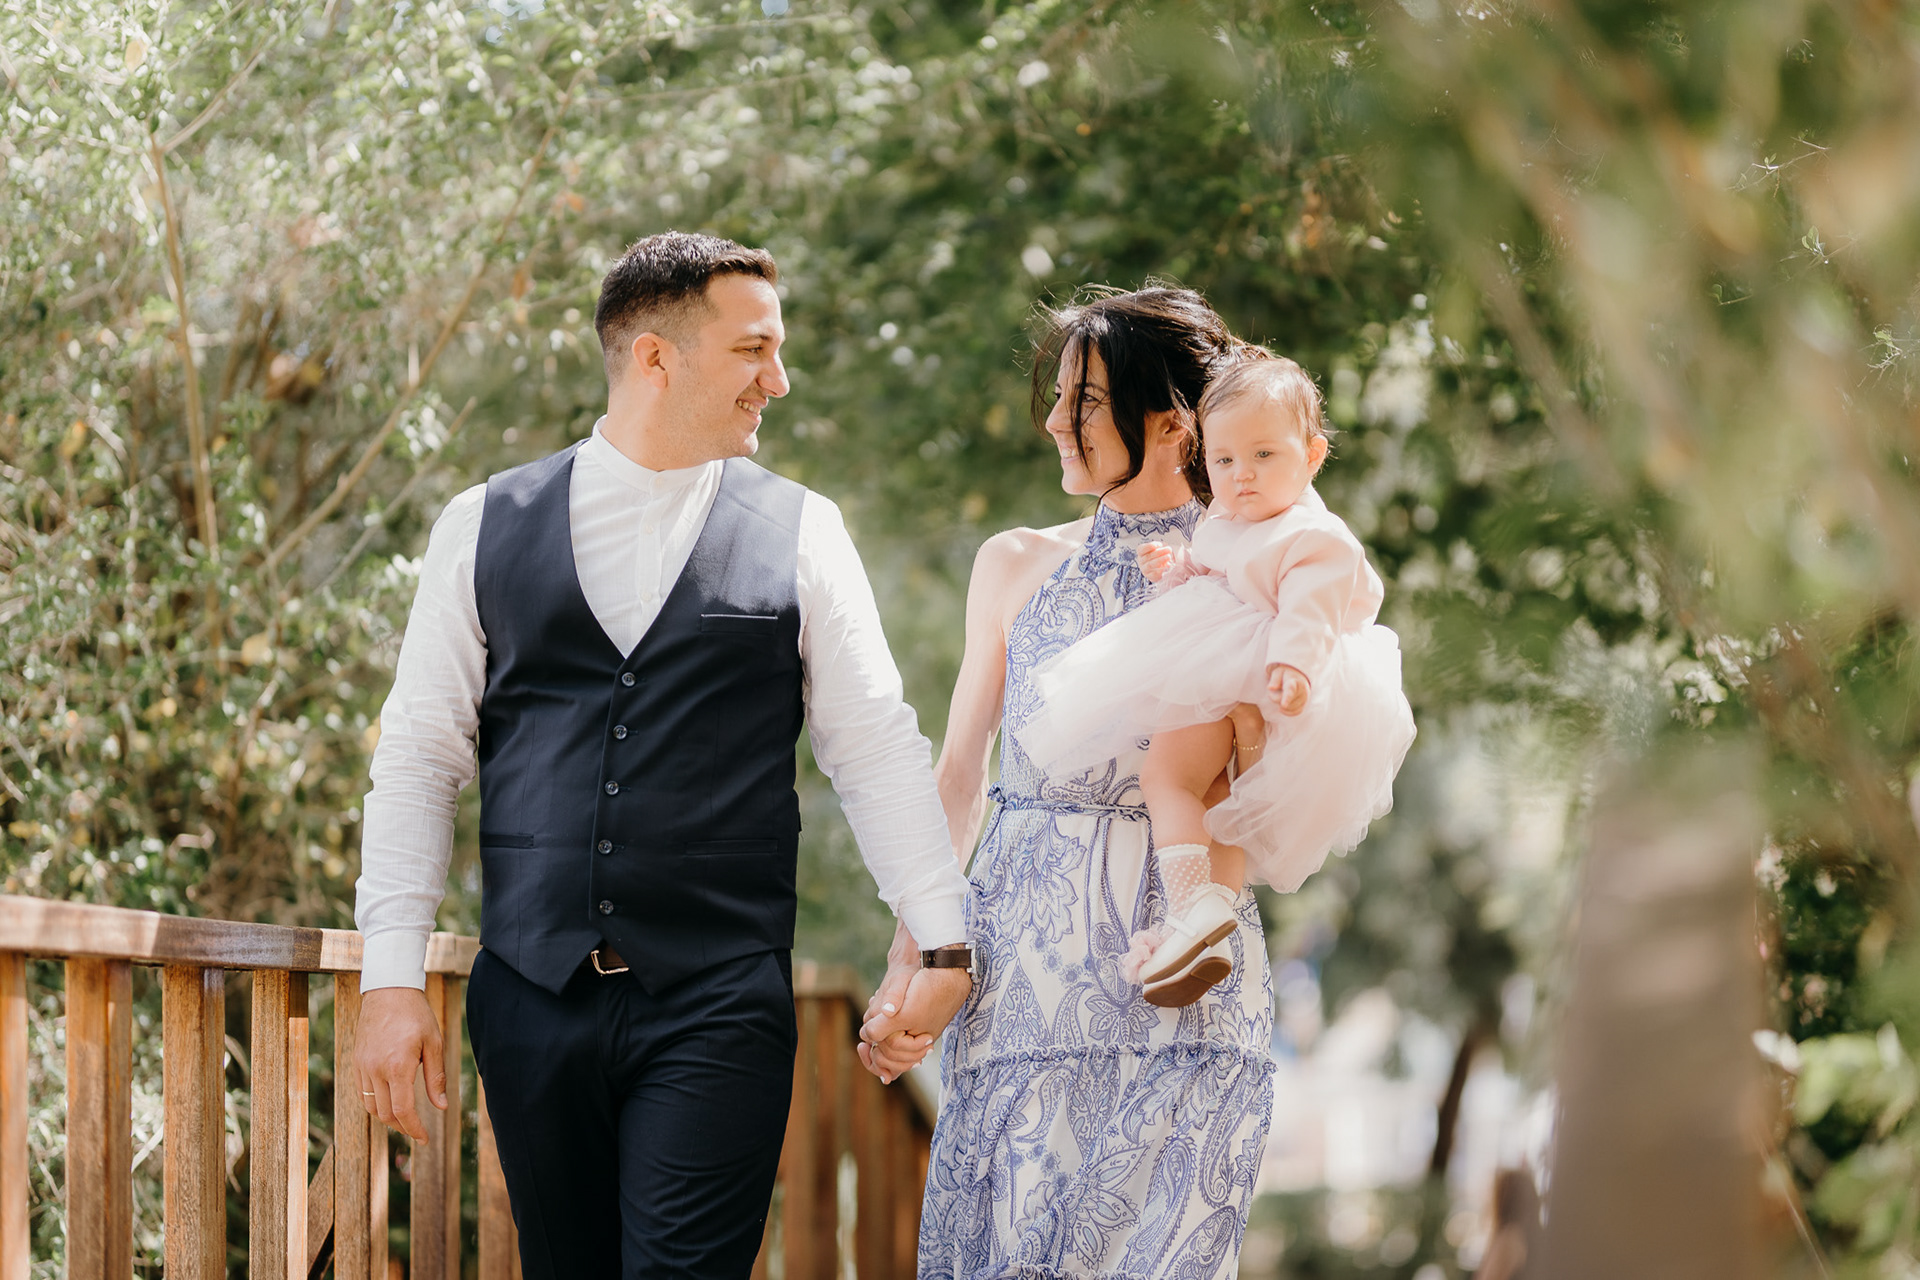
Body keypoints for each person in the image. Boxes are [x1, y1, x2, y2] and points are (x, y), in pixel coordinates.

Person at [349, 231, 975, 1279]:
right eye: (754, 350)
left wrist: (944, 941)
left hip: (717, 1001)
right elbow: (418, 759)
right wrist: (390, 978)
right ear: (655, 357)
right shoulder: (482, 523)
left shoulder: (804, 530)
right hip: (531, 997)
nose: (779, 379)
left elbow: (873, 746)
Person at [859, 287, 1275, 1278]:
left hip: (1189, 992)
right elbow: (961, 777)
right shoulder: (1014, 564)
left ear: (1172, 423)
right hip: (1023, 988)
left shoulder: (1256, 578)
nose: (1054, 421)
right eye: (1059, 397)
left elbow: (1269, 788)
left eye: (1084, 401)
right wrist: (912, 957)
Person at [1013, 351, 1416, 1004]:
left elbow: (1311, 609)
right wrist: (1176, 566)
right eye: (1224, 460)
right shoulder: (1228, 519)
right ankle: (1209, 921)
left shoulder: (1314, 537)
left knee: (1166, 778)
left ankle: (1188, 906)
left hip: (1257, 669)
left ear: (1312, 457)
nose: (1241, 475)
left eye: (1264, 456)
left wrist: (1292, 665)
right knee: (1217, 801)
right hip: (1237, 666)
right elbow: (1212, 569)